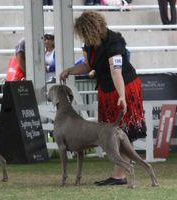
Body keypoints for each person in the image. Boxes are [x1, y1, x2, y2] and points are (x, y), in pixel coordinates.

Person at [60, 11, 146, 186]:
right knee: (110, 133)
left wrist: (122, 96)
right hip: (107, 90)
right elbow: (87, 66)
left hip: (124, 87)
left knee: (122, 131)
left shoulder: (113, 42)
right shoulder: (90, 43)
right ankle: (119, 173)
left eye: (83, 33)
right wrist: (69, 70)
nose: (83, 37)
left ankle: (120, 175)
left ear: (91, 30)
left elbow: (116, 72)